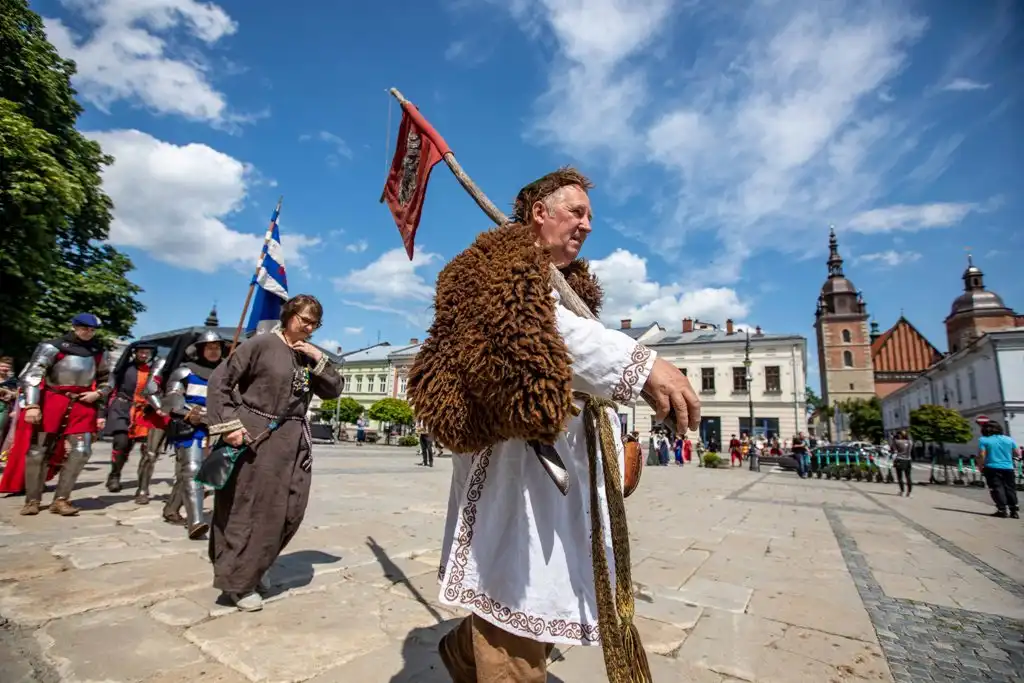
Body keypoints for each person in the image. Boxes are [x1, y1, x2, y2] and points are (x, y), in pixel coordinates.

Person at [407, 168, 700, 682]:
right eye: (577, 212)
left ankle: (461, 651)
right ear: (540, 212)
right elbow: (542, 333)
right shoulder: (489, 270)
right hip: (509, 464)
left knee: (541, 587)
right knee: (515, 589)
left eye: (590, 217)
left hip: (560, 469)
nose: (587, 225)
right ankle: (487, 658)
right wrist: (642, 363)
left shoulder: (562, 285)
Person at [206, 295, 344, 612]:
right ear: (288, 314)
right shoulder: (261, 345)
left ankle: (259, 563)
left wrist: (317, 357)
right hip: (254, 434)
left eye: (314, 324)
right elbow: (220, 381)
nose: (309, 328)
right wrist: (229, 426)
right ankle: (237, 583)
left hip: (293, 440)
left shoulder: (308, 354)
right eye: (304, 320)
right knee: (248, 508)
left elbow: (334, 389)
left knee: (289, 508)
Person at [18, 313, 110, 516]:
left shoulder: (98, 352)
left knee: (82, 451)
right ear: (75, 327)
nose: (88, 332)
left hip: (83, 403)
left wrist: (98, 393)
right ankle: (32, 499)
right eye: (85, 328)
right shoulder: (53, 347)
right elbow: (32, 376)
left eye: (92, 330)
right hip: (53, 399)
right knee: (38, 451)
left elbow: (107, 379)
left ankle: (61, 499)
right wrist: (32, 405)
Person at [154, 330, 228, 537]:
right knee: (193, 470)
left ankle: (171, 509)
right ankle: (195, 522)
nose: (214, 351)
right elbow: (172, 400)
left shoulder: (226, 372)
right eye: (209, 347)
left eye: (217, 347)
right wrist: (188, 413)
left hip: (215, 428)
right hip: (191, 426)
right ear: (200, 349)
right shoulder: (184, 371)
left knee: (198, 475)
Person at [105, 341, 168, 503]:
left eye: (147, 352)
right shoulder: (124, 369)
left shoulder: (155, 370)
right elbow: (111, 387)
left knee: (148, 450)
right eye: (141, 352)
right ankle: (115, 474)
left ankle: (142, 487)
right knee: (121, 443)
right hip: (124, 408)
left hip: (146, 411)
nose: (144, 355)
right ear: (135, 353)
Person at [977, 418, 1019, 519]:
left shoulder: (983, 440)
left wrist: (980, 466)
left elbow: (982, 455)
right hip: (1008, 467)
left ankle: (1002, 510)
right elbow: (1017, 453)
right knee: (1010, 488)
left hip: (992, 467)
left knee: (997, 488)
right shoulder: (1009, 439)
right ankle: (1014, 511)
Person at [891, 430, 913, 496]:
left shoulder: (897, 441)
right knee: (908, 476)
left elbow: (893, 449)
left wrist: (893, 438)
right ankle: (909, 492)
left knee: (900, 477)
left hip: (900, 459)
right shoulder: (910, 442)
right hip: (908, 459)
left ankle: (902, 491)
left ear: (900, 435)